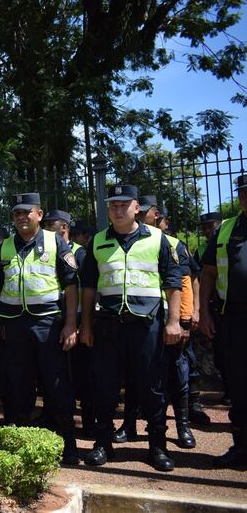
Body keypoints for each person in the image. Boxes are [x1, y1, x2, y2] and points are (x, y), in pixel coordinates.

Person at [80, 184, 182, 472]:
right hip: (109, 326)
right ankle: (103, 444)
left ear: (137, 208)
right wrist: (86, 325)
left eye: (124, 204)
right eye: (113, 204)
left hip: (146, 325)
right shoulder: (98, 241)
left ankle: (157, 448)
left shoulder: (157, 239)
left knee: (152, 387)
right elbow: (88, 287)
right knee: (105, 388)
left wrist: (174, 322)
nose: (117, 209)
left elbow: (173, 282)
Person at [0, 194, 80, 465]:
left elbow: (71, 285)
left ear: (39, 214)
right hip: (13, 325)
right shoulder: (4, 248)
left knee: (56, 385)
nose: (22, 217)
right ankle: (20, 447)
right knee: (17, 386)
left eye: (27, 212)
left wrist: (71, 324)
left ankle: (68, 447)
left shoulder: (55, 242)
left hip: (48, 324)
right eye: (17, 213)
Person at [114, 195, 197, 449]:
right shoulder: (128, 241)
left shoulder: (172, 243)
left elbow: (185, 282)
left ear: (157, 215)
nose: (140, 217)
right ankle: (129, 424)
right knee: (136, 375)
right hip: (145, 322)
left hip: (169, 321)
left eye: (146, 213)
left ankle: (183, 426)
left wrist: (183, 320)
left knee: (176, 374)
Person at [199, 174, 247, 468]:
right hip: (234, 319)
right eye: (242, 193)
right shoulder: (226, 229)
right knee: (238, 385)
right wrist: (203, 312)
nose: (245, 198)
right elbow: (207, 273)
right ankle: (241, 447)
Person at [42, 209, 95, 438]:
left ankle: (89, 421)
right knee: (52, 373)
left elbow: (85, 288)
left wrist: (81, 323)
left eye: (50, 224)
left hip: (74, 319)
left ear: (64, 227)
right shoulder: (43, 248)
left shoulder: (80, 253)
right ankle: (51, 416)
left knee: (82, 373)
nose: (45, 227)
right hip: (53, 320)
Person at [195, 211, 229, 408]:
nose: (208, 230)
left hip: (230, 303)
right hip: (216, 305)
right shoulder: (201, 249)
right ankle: (230, 391)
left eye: (211, 226)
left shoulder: (228, 236)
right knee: (223, 351)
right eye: (205, 227)